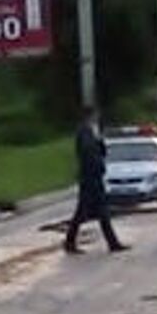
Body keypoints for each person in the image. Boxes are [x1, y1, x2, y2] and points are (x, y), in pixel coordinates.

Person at [64, 106, 127, 254]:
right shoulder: (84, 132)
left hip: (93, 177)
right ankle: (70, 242)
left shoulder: (91, 132)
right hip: (90, 178)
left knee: (100, 212)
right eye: (95, 116)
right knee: (83, 213)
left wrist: (99, 142)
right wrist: (97, 164)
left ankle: (112, 243)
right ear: (90, 116)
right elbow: (88, 153)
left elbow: (101, 151)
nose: (97, 118)